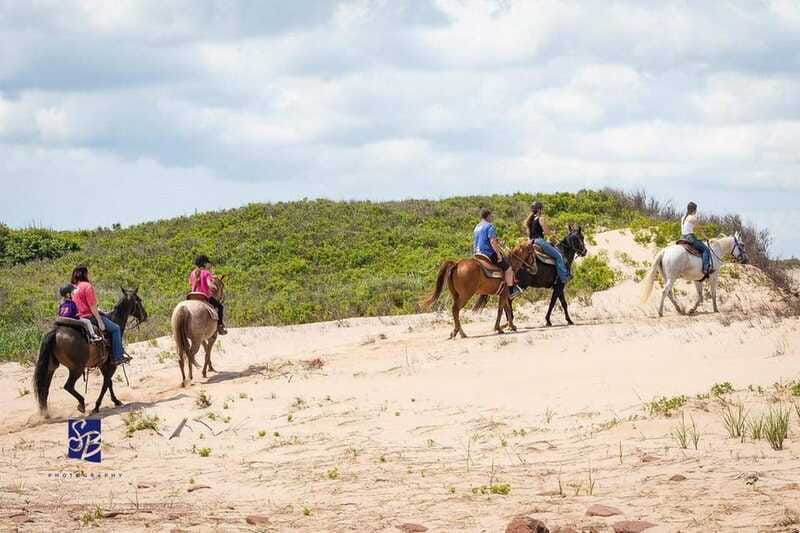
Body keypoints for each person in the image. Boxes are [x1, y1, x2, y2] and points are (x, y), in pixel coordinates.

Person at [71, 266, 131, 365]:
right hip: (89, 317)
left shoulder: (73, 287)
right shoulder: (87, 286)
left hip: (77, 318)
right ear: (85, 274)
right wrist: (99, 320)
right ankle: (118, 356)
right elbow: (92, 306)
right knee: (116, 328)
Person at [473, 208, 523, 299]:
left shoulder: (476, 227)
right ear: (488, 216)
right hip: (488, 254)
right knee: (508, 269)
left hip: (478, 254)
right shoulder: (490, 226)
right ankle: (511, 291)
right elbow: (492, 241)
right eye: (491, 215)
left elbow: (476, 242)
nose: (492, 217)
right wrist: (499, 254)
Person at [525, 201, 571, 284]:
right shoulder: (540, 218)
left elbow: (530, 234)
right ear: (540, 210)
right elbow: (546, 232)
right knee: (559, 256)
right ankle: (564, 278)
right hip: (539, 241)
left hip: (531, 242)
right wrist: (553, 234)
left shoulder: (530, 221)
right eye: (542, 209)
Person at [189, 255, 227, 335]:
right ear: (204, 264)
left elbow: (190, 283)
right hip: (204, 297)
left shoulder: (192, 273)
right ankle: (220, 326)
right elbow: (210, 285)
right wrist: (214, 287)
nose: (208, 265)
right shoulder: (206, 273)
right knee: (220, 307)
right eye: (207, 263)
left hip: (192, 296)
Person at [681, 201, 713, 278]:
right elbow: (700, 230)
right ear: (694, 210)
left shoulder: (683, 218)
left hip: (683, 237)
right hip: (690, 238)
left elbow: (691, 227)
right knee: (706, 250)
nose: (696, 211)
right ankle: (705, 269)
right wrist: (707, 238)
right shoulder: (693, 218)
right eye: (696, 209)